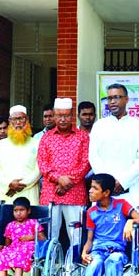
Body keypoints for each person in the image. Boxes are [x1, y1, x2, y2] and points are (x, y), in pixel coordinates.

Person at [73, 173, 139, 276]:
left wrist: (131, 222)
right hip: (98, 250)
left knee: (113, 261)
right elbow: (89, 240)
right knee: (94, 264)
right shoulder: (91, 212)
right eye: (90, 188)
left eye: (95, 188)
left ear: (106, 192)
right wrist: (84, 253)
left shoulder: (121, 205)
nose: (90, 191)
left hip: (117, 250)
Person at [89, 83, 139, 212]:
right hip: (103, 190)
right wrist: (107, 182)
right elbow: (93, 157)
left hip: (129, 189)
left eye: (117, 97)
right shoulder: (99, 125)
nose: (112, 101)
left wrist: (122, 182)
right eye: (109, 98)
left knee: (131, 229)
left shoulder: (137, 125)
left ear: (126, 99)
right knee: (103, 229)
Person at [37, 98, 90, 242]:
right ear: (54, 116)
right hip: (51, 193)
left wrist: (67, 183)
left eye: (66, 115)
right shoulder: (46, 138)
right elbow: (42, 163)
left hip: (75, 192)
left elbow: (86, 163)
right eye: (59, 116)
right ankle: (49, 263)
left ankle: (75, 263)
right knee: (49, 232)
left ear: (72, 115)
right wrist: (58, 179)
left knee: (76, 234)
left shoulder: (83, 136)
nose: (63, 119)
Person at [0, 196, 45, 276]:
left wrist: (30, 237)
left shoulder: (33, 223)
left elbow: (43, 238)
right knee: (0, 258)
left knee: (18, 257)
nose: (18, 213)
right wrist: (3, 248)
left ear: (28, 211)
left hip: (29, 248)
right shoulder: (10, 225)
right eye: (16, 211)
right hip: (14, 248)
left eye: (22, 210)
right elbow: (8, 242)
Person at [0, 105, 41, 205]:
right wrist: (9, 184)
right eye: (14, 119)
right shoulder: (1, 144)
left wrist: (20, 185)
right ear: (10, 122)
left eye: (21, 118)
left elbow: (39, 170)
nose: (18, 123)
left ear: (27, 120)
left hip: (29, 193)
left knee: (30, 220)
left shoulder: (37, 143)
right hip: (7, 194)